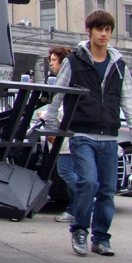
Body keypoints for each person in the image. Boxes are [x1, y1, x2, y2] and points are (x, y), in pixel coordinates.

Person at [44, 10, 132, 257]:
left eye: (108, 29)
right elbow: (57, 94)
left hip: (110, 136)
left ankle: (101, 238)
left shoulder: (119, 65)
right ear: (89, 31)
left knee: (107, 191)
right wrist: (51, 125)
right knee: (88, 182)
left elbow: (129, 100)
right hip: (82, 134)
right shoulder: (74, 61)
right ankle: (80, 230)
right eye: (99, 29)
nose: (104, 33)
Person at [39, 45, 76, 224]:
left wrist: (45, 115)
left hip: (65, 139)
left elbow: (63, 109)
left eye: (54, 60)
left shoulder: (67, 80)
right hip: (64, 137)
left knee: (66, 171)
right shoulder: (63, 79)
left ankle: (85, 200)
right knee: (68, 172)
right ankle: (73, 208)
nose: (51, 64)